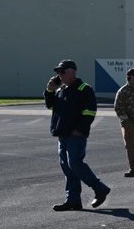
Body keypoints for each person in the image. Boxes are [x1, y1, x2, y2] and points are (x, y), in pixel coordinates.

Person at [44, 59, 110, 211]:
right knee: (67, 167)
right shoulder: (61, 91)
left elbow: (90, 112)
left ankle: (99, 188)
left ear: (73, 72)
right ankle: (73, 200)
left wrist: (79, 129)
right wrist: (49, 90)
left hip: (75, 135)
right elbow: (50, 105)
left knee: (75, 163)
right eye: (58, 73)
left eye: (62, 72)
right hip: (62, 135)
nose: (59, 76)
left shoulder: (84, 89)